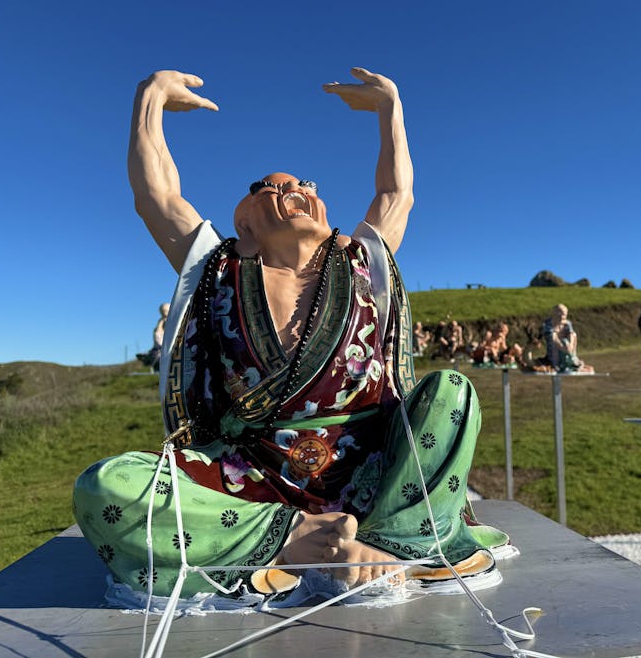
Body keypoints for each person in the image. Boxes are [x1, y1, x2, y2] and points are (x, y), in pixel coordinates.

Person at [73, 69, 507, 601]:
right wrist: (150, 98)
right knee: (106, 485)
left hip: (371, 476)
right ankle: (293, 543)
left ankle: (389, 543)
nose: (297, 191)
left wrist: (390, 107)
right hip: (246, 482)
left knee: (452, 394)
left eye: (306, 186)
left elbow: (396, 193)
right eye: (278, 188)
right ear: (245, 222)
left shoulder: (360, 262)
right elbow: (155, 195)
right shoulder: (217, 268)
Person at [524, 305, 593, 373]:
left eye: (564, 314)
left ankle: (570, 362)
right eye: (560, 314)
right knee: (562, 342)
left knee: (571, 337)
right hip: (554, 353)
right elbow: (553, 337)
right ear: (554, 313)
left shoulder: (567, 323)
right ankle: (559, 365)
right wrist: (563, 347)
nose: (562, 316)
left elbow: (571, 334)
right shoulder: (548, 324)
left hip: (567, 351)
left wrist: (570, 346)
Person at [136, 302, 170, 372]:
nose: (164, 313)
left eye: (166, 311)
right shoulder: (158, 326)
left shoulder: (173, 323)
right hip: (159, 352)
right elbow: (158, 340)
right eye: (163, 311)